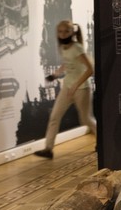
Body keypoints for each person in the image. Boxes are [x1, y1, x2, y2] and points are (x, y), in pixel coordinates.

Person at [34, 20, 97, 159]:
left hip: (81, 89)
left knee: (86, 119)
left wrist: (76, 85)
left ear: (72, 32)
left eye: (66, 31)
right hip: (67, 88)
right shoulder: (63, 47)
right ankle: (48, 149)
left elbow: (90, 69)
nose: (63, 34)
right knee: (54, 117)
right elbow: (67, 63)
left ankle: (102, 141)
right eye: (60, 32)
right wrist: (56, 74)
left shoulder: (77, 48)